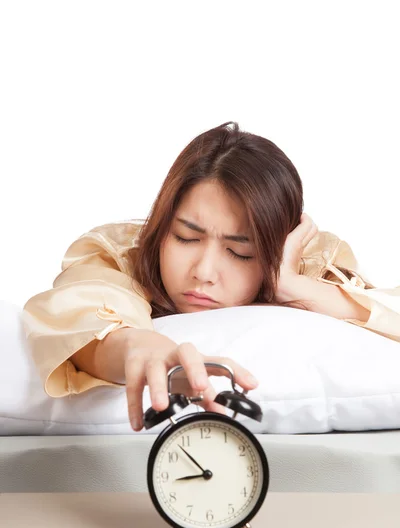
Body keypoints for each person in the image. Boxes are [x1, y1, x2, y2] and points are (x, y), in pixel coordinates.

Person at [23, 122, 400, 432]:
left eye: (241, 252)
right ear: (161, 226)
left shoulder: (310, 266)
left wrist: (289, 283)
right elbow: (85, 311)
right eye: (186, 237)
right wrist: (136, 346)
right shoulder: (120, 254)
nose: (203, 272)